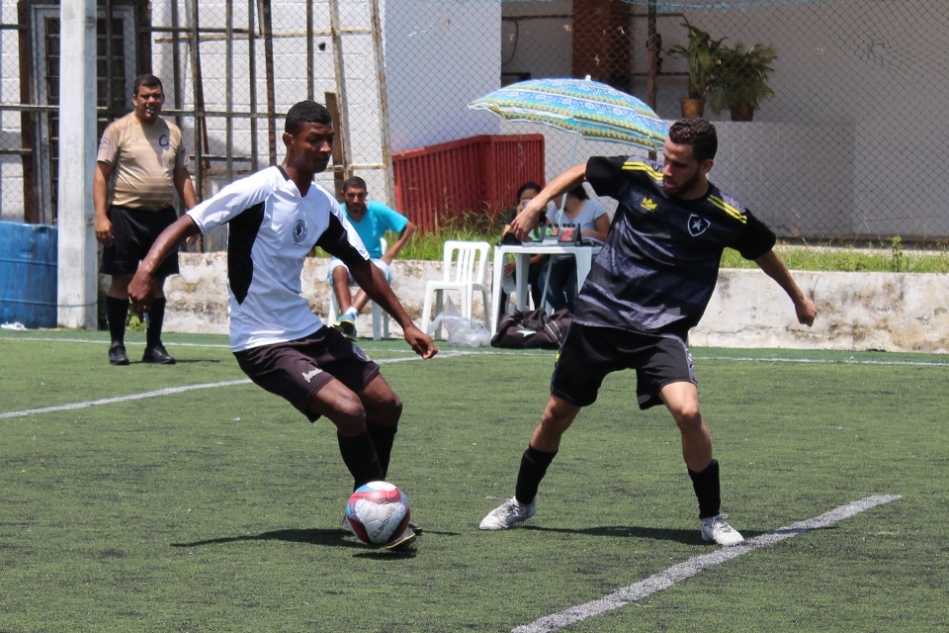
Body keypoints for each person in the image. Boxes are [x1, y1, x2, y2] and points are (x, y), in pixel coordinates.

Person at [479, 118, 817, 546]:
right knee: (555, 416)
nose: (666, 170)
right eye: (666, 158)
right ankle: (521, 501)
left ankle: (712, 518)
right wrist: (536, 205)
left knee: (688, 413)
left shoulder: (724, 213)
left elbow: (762, 250)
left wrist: (798, 298)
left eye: (679, 164)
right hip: (600, 317)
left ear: (706, 166)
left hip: (661, 329)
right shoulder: (640, 174)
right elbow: (583, 170)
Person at [127, 100, 438, 550]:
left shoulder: (322, 204)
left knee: (386, 404)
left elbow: (362, 266)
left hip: (305, 330)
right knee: (350, 410)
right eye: (315, 140)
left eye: (329, 140)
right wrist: (146, 270)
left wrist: (407, 324)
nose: (324, 148)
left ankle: (368, 506)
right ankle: (381, 516)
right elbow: (189, 221)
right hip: (261, 342)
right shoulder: (259, 189)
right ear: (289, 140)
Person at [94, 73, 198, 366]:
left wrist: (195, 216)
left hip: (162, 218)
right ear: (135, 99)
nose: (151, 101)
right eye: (145, 96)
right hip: (124, 215)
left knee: (157, 283)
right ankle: (117, 345)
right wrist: (101, 216)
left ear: (162, 98)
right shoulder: (118, 130)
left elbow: (182, 176)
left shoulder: (173, 132)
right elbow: (101, 175)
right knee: (121, 279)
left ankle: (153, 346)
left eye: (156, 96)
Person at [328, 176, 417, 340]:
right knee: (338, 267)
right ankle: (348, 322)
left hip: (372, 261)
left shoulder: (377, 210)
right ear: (343, 195)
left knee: (377, 270)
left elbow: (409, 228)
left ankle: (349, 316)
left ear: (366, 195)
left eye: (360, 195)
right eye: (351, 195)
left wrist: (390, 255)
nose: (356, 200)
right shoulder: (335, 212)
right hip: (343, 261)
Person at [539, 185, 610, 313]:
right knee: (545, 280)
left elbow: (609, 239)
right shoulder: (554, 213)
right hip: (563, 257)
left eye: (555, 195)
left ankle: (577, 317)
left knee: (574, 286)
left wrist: (591, 234)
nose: (552, 199)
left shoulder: (594, 208)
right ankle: (564, 316)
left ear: (568, 193)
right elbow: (548, 237)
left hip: (588, 258)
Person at [497, 182, 549, 320]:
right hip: (517, 264)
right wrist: (519, 215)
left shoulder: (546, 219)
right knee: (499, 276)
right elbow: (505, 241)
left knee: (539, 277)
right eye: (525, 200)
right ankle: (500, 319)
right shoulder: (513, 216)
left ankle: (539, 319)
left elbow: (542, 256)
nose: (529, 204)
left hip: (534, 265)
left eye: (533, 199)